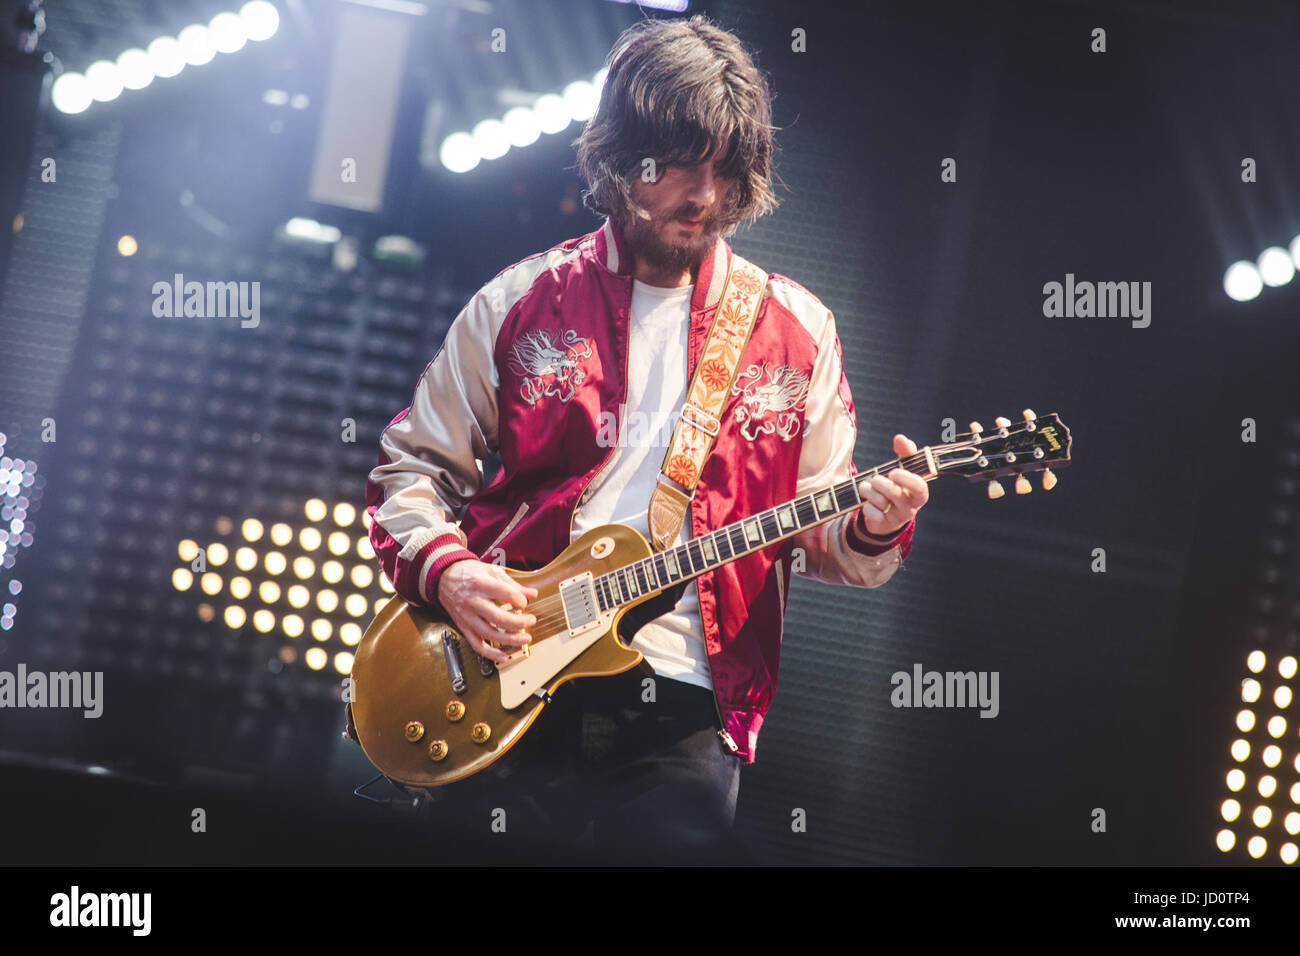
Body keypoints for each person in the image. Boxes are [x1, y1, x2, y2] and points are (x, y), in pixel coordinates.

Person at [364, 15, 929, 864]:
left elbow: (826, 535)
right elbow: (410, 468)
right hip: (507, 672)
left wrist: (875, 523)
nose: (702, 193)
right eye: (678, 164)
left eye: (724, 169)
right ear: (620, 158)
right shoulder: (521, 301)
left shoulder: (796, 329)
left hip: (689, 712)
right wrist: (450, 573)